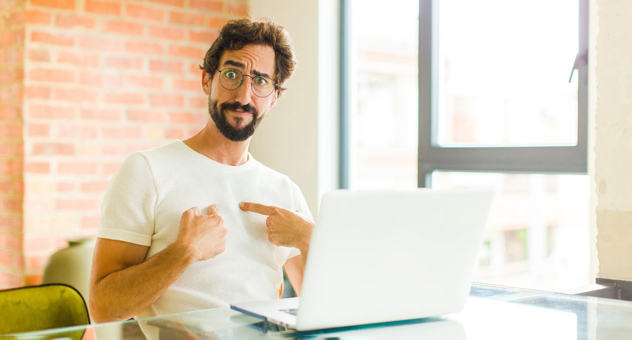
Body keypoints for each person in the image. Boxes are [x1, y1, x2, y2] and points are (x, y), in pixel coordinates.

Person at [89, 17, 314, 329]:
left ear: (273, 97)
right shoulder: (146, 171)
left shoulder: (284, 191)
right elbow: (104, 307)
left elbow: (322, 310)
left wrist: (309, 238)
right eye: (232, 74)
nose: (244, 96)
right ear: (207, 80)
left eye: (261, 81)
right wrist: (184, 252)